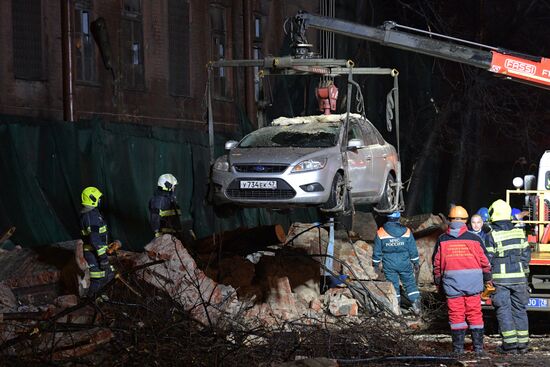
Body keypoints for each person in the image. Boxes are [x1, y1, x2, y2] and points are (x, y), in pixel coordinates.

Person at [433, 205, 492, 356]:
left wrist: (439, 284)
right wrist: (488, 279)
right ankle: (478, 348)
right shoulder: (475, 239)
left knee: (456, 316)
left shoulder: (442, 239)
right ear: (466, 220)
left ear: (449, 220)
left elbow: (437, 264)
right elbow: (485, 262)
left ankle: (458, 350)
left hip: (452, 285)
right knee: (475, 315)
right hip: (473, 285)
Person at [485, 199, 531, 354]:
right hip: (519, 278)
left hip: (501, 280)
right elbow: (526, 256)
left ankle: (510, 346)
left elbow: (487, 260)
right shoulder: (519, 232)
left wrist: (487, 279)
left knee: (503, 310)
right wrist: (524, 275)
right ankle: (523, 344)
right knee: (520, 310)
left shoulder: (492, 235)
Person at [372, 211, 422, 315]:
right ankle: (417, 308)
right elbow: (413, 249)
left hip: (389, 265)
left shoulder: (381, 232)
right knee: (410, 284)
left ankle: (396, 310)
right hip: (405, 264)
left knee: (394, 286)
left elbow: (377, 251)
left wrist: (375, 265)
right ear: (399, 217)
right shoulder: (407, 231)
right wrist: (416, 262)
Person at [79, 186, 114, 296]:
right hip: (93, 253)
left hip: (97, 252)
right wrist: (103, 258)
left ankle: (103, 298)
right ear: (92, 199)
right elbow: (94, 240)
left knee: (108, 274)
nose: (100, 201)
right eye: (98, 198)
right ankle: (92, 302)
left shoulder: (94, 214)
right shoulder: (90, 216)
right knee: (98, 278)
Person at [149, 173, 195, 244]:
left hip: (174, 237)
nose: (174, 188)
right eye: (173, 186)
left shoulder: (171, 199)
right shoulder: (158, 201)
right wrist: (159, 239)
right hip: (164, 239)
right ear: (167, 185)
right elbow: (155, 221)